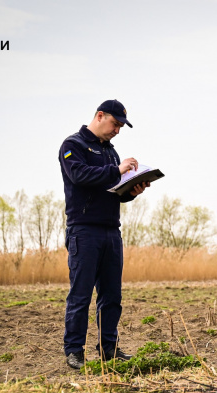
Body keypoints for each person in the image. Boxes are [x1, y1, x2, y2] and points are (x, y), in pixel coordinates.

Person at [58, 99, 151, 369]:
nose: (117, 131)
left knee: (112, 295)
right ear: (100, 116)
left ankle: (108, 349)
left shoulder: (110, 152)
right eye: (115, 124)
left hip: (112, 231)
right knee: (81, 294)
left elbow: (111, 189)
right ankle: (74, 351)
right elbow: (80, 176)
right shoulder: (73, 145)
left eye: (121, 127)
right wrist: (117, 170)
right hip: (83, 231)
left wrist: (131, 192)